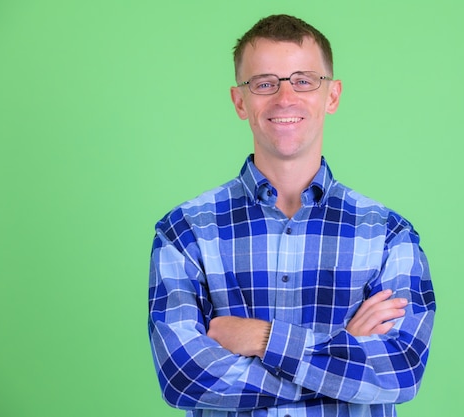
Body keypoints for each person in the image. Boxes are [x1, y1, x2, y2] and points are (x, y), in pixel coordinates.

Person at [148, 14, 435, 417]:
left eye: (303, 80)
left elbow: (400, 372)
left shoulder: (389, 235)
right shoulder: (185, 231)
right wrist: (341, 354)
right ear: (239, 101)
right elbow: (184, 378)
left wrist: (265, 339)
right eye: (264, 83)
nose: (285, 98)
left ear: (331, 96)